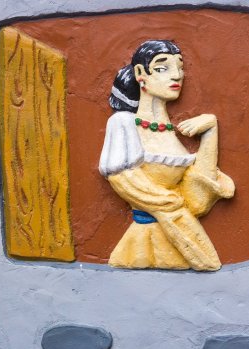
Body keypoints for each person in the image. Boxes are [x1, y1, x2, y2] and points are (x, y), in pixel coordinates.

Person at [99, 40, 234, 271]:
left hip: (180, 239)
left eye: (180, 68)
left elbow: (198, 199)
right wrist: (171, 206)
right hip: (144, 245)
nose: (177, 76)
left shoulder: (171, 134)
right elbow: (126, 182)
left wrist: (211, 131)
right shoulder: (123, 123)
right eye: (163, 68)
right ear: (141, 73)